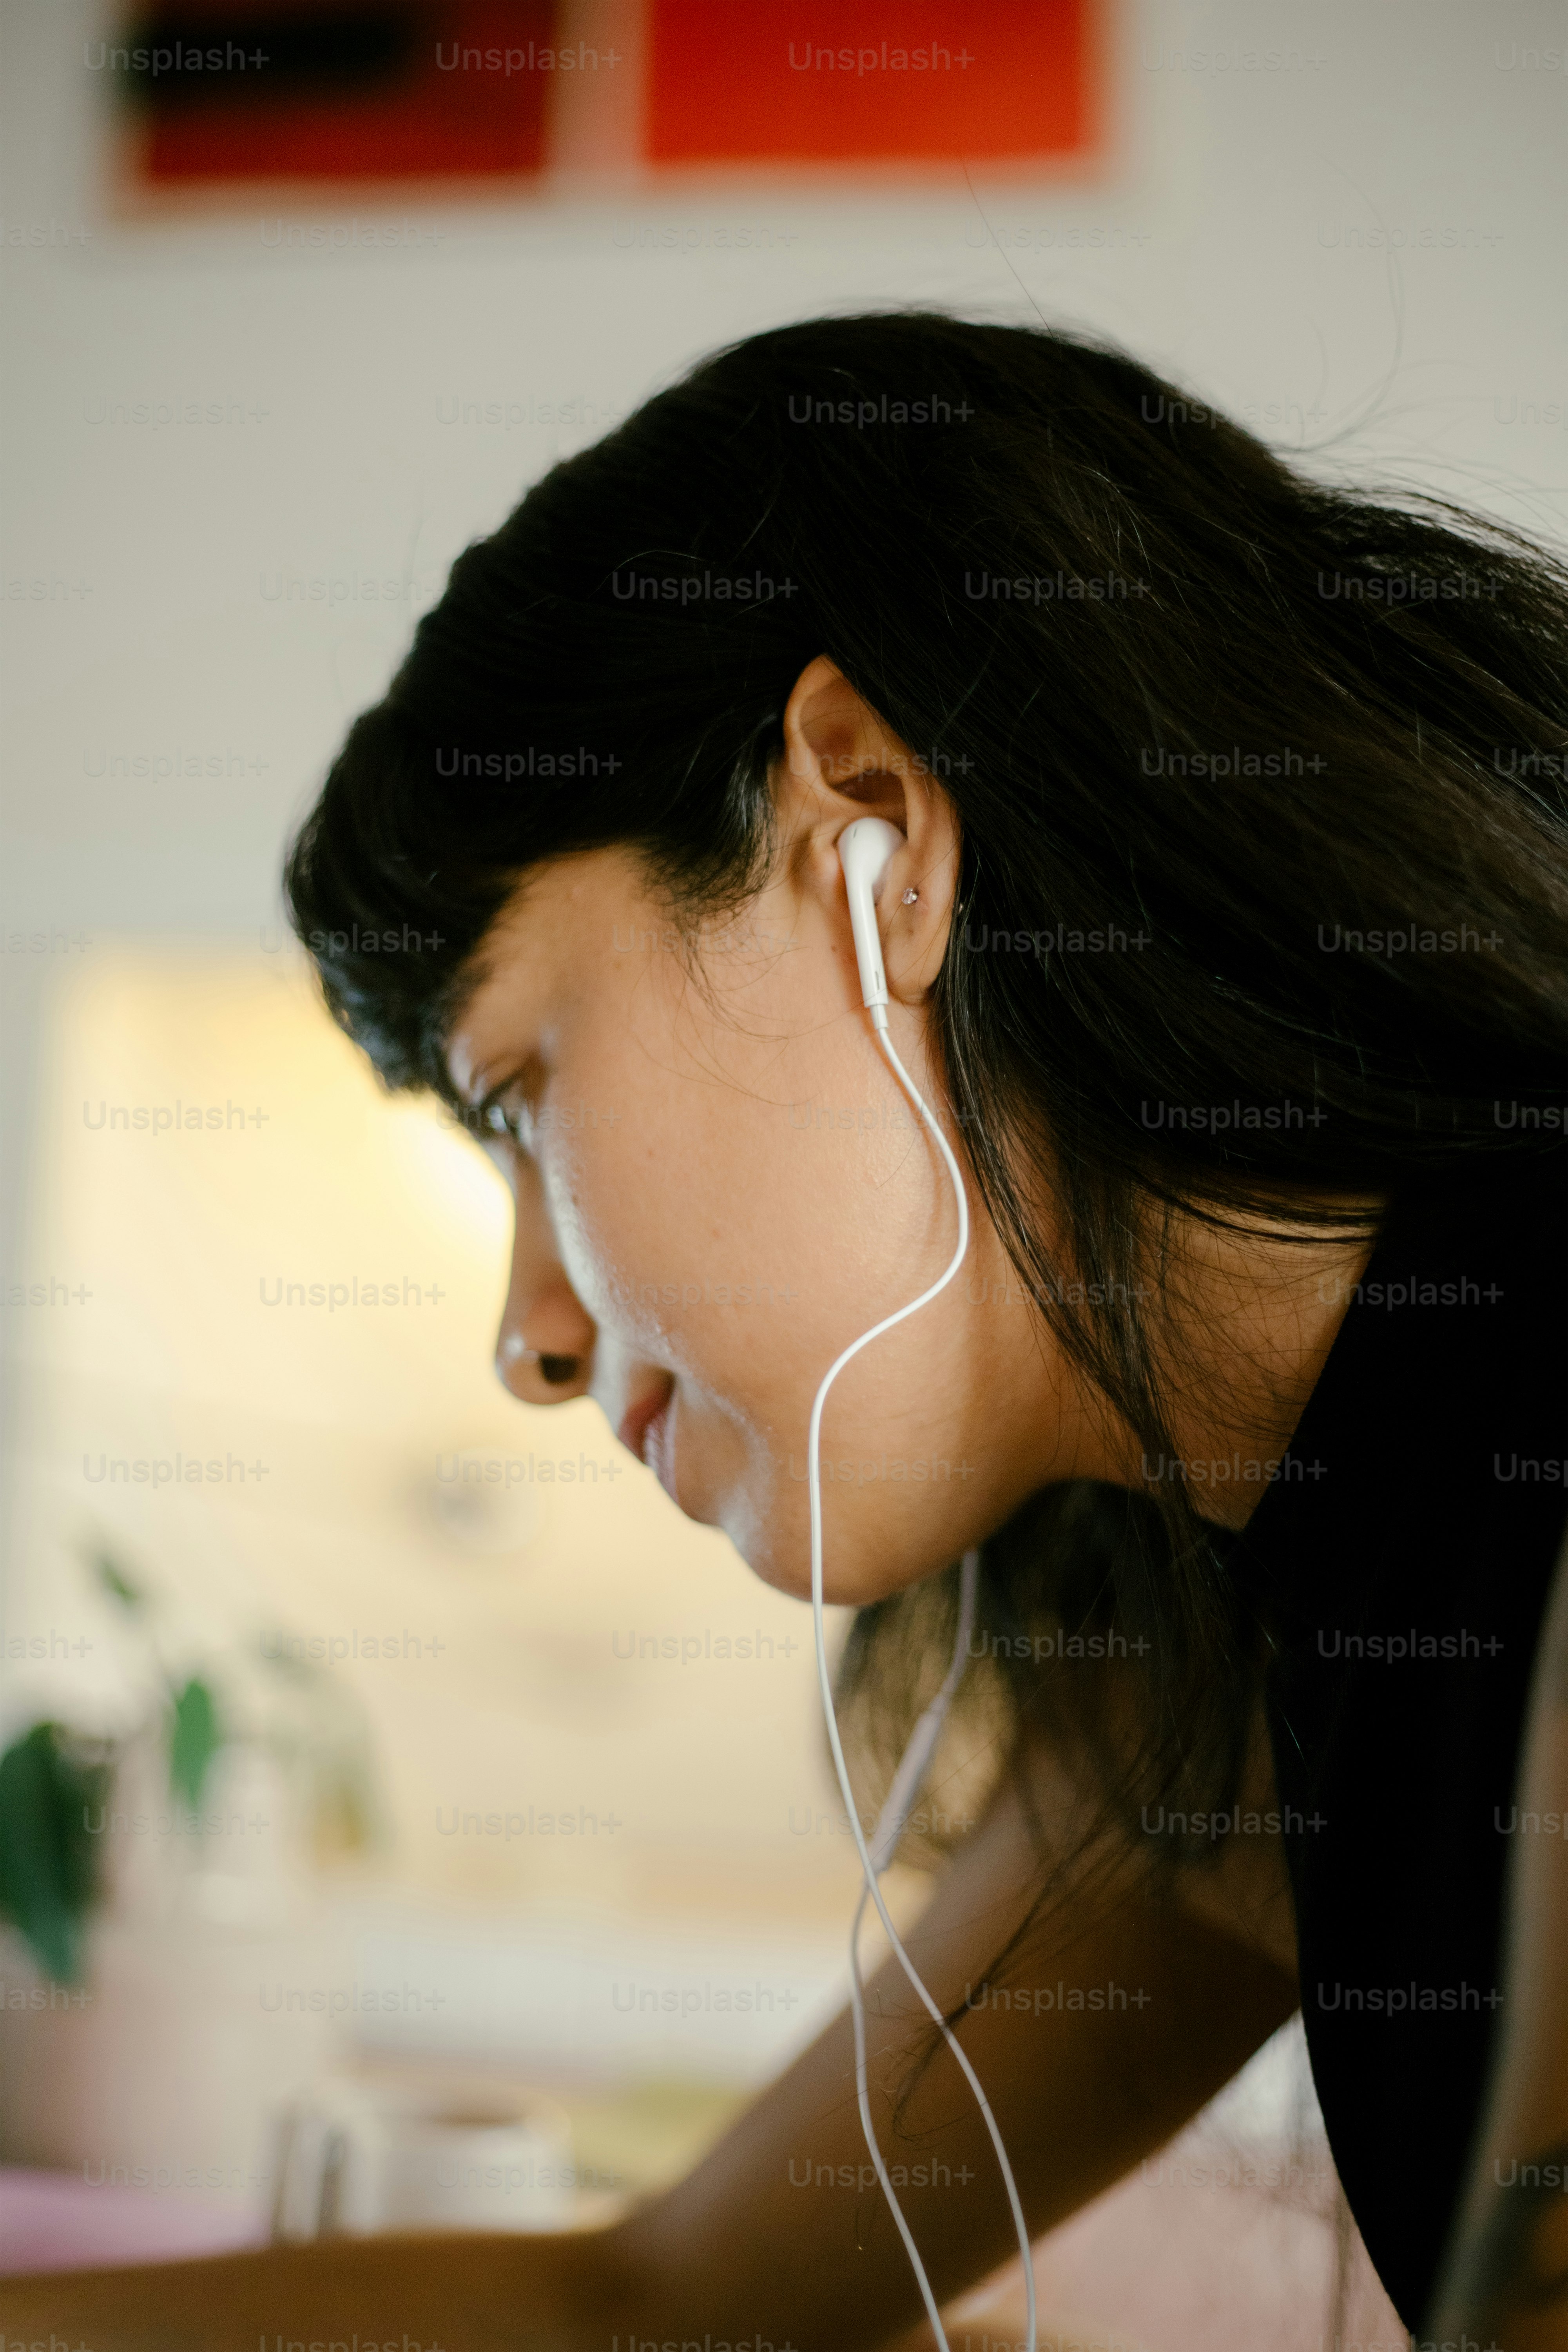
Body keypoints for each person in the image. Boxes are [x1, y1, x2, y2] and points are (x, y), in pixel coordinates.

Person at [12, 312, 1565, 2352]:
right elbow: (658, 2307)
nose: (530, 1345)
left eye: (514, 1095)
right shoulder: (1243, 1635)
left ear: (866, 827)